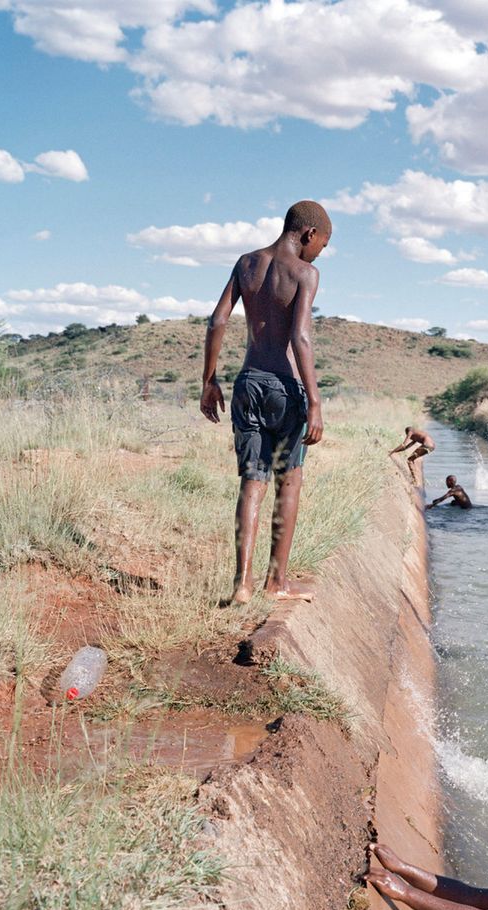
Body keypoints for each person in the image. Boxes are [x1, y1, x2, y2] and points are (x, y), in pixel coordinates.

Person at [199, 199, 330, 605]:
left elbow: (217, 320)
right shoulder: (305, 273)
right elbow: (300, 337)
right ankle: (277, 583)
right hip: (285, 390)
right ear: (308, 234)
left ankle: (241, 584)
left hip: (247, 384)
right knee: (288, 483)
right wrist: (314, 401)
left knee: (252, 483)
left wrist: (209, 380)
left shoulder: (246, 263)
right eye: (322, 245)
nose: (320, 252)